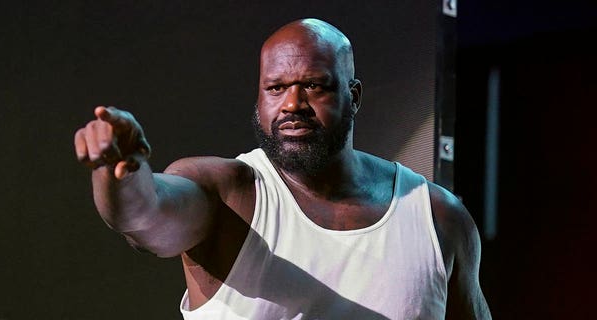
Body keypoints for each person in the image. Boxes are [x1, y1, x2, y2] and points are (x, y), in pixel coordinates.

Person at [74, 18, 491, 320]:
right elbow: (143, 215)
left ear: (354, 95)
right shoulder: (226, 195)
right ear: (259, 99)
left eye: (314, 85)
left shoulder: (439, 217)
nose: (292, 104)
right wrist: (120, 173)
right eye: (275, 88)